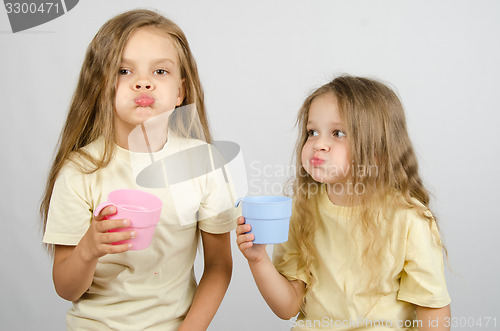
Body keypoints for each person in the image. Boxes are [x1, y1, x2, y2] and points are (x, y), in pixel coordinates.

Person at [40, 9, 238, 330]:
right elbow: (65, 287)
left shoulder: (204, 164)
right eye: (124, 70)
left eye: (160, 71)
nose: (143, 82)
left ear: (180, 92)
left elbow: (218, 266)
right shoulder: (79, 171)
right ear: (102, 86)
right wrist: (89, 248)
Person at [237, 75, 451, 330]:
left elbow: (433, 309)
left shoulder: (409, 218)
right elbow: (288, 307)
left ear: (378, 152)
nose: (319, 144)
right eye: (312, 132)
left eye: (337, 133)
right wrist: (258, 259)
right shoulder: (302, 210)